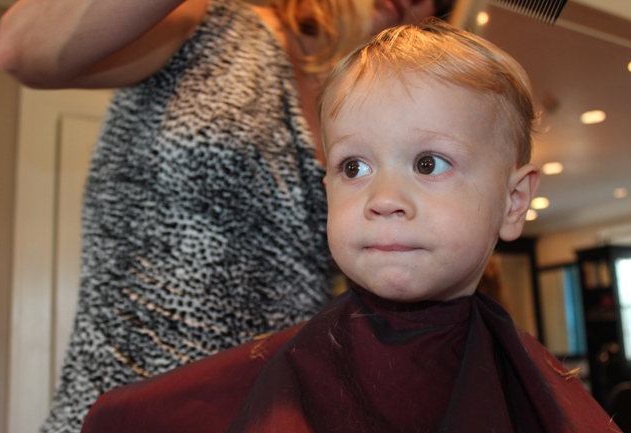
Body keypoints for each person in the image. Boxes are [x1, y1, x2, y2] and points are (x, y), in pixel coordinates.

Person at [78, 20, 619, 433]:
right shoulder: (281, 376)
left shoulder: (539, 392)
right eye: (353, 168)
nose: (382, 199)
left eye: (428, 164)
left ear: (513, 202)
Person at [0, 0, 456, 431]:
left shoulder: (363, 115)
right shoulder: (210, 22)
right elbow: (24, 48)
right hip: (124, 403)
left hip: (263, 412)